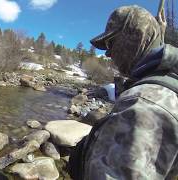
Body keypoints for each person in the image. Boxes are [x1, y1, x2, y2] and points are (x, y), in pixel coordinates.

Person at [72, 5, 178, 180]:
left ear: (134, 37)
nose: (107, 53)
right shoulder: (166, 82)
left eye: (110, 43)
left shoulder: (144, 103)